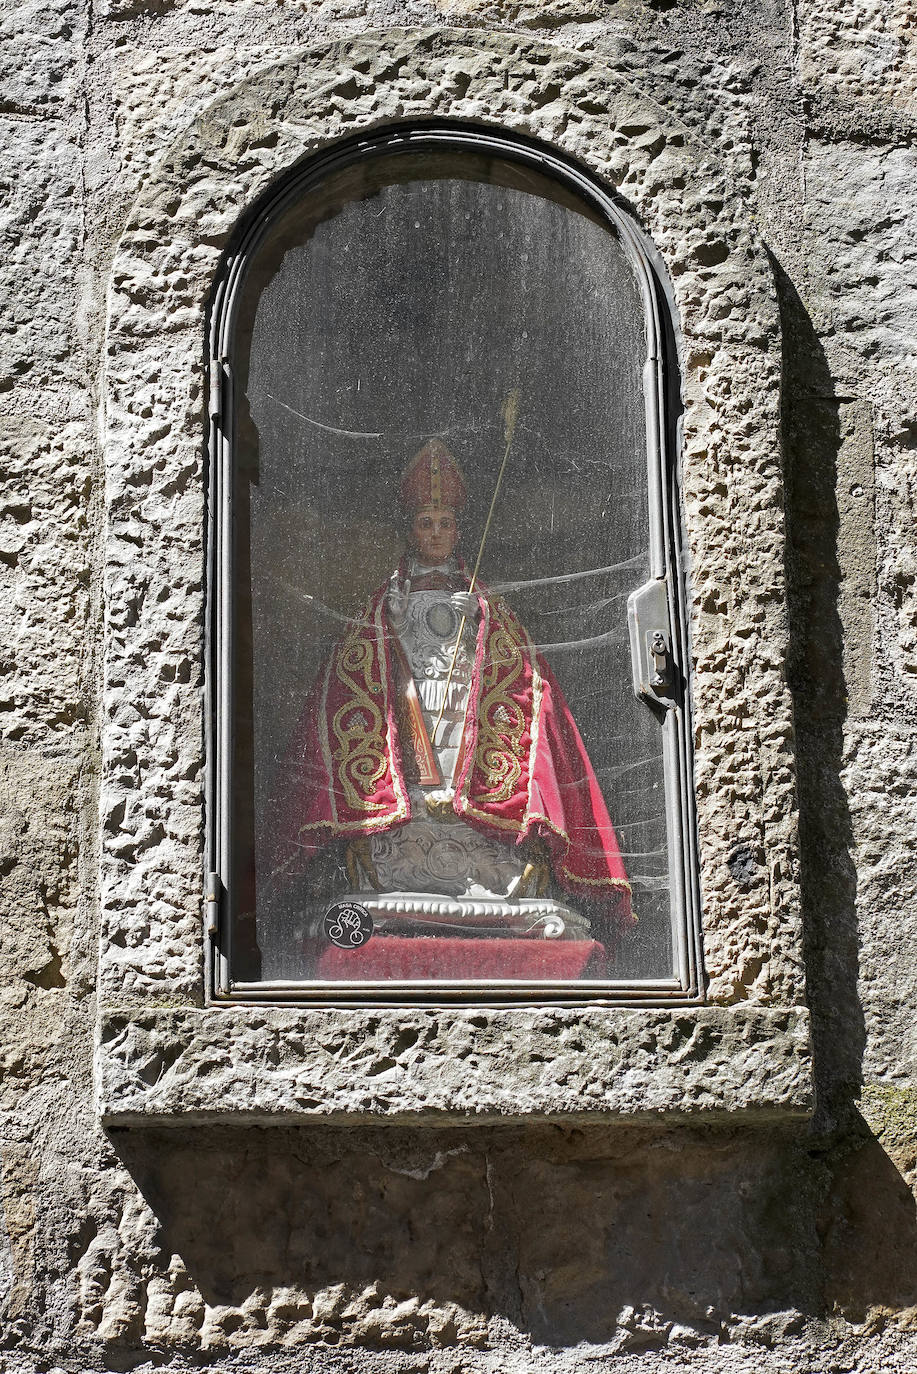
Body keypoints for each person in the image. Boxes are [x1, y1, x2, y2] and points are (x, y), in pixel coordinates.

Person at [268, 439, 631, 940]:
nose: (436, 534)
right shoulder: (387, 597)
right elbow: (362, 661)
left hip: (463, 702)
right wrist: (392, 621)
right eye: (426, 523)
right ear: (410, 529)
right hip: (409, 698)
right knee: (408, 767)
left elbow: (517, 675)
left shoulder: (482, 600)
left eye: (445, 523)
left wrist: (480, 619)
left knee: (462, 749)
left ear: (459, 530)